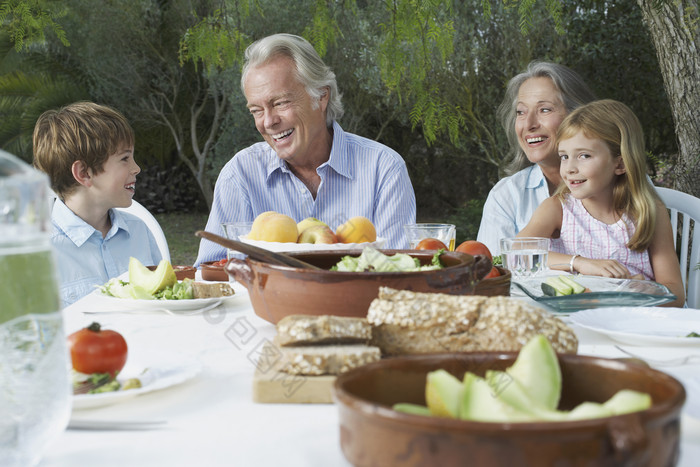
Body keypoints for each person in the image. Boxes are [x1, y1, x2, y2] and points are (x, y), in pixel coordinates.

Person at [195, 33, 416, 266]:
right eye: (256, 110)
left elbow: (396, 273)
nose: (268, 122)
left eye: (280, 103)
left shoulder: (384, 169)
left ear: (321, 97)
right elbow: (211, 273)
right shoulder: (240, 175)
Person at [517, 99, 685, 307]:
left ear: (620, 163)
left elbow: (675, 293)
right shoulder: (557, 209)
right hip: (580, 319)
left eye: (584, 156)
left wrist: (640, 292)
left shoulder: (650, 213)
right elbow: (517, 253)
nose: (569, 168)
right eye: (564, 156)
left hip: (638, 322)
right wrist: (578, 262)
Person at [33, 101, 163, 306]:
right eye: (124, 159)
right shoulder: (36, 250)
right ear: (84, 173)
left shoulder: (140, 232)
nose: (136, 168)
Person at [477, 61, 596, 255]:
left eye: (545, 109)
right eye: (521, 112)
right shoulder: (507, 195)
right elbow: (494, 272)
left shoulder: (623, 183)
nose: (529, 124)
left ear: (578, 116)